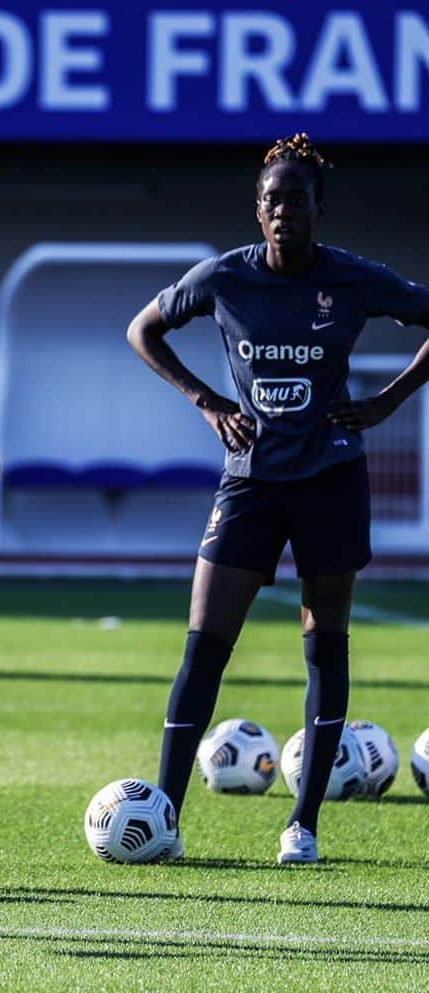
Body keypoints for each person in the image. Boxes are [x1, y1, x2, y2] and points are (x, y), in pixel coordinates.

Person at [126, 133, 429, 864]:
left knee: (325, 645)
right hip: (250, 480)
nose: (283, 210)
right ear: (257, 212)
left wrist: (387, 401)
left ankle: (304, 823)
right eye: (272, 200)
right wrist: (204, 399)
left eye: (296, 199)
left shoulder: (353, 279)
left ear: (318, 208)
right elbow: (144, 330)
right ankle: (164, 815)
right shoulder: (225, 278)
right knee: (204, 646)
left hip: (330, 479)